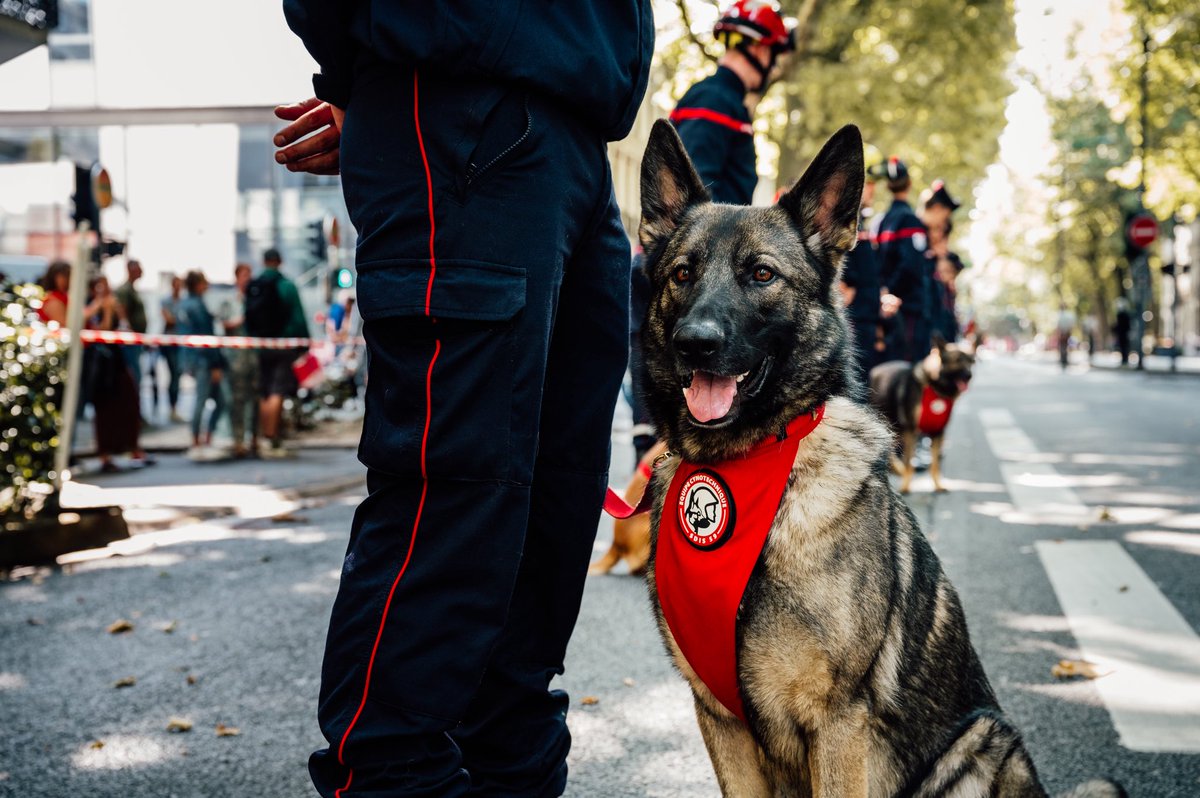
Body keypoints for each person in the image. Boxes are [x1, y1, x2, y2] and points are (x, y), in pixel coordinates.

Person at [277, 2, 653, 794]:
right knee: (459, 489)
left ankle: (509, 768)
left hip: (578, 131)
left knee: (557, 499)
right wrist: (358, 80)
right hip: (458, 104)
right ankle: (390, 771)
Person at [670, 0, 795, 205]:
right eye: (774, 56)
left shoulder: (722, 100)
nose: (773, 68)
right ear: (761, 51)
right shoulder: (714, 101)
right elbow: (694, 196)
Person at [245, 247, 308, 456]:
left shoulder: (255, 285)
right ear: (279, 261)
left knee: (264, 391)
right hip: (283, 345)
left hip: (261, 345)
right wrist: (303, 344)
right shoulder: (287, 285)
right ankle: (272, 440)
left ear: (264, 261)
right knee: (277, 390)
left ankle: (264, 437)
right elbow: (298, 318)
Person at [84, 275, 150, 472]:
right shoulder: (91, 305)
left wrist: (118, 313)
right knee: (104, 409)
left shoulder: (114, 302)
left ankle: (131, 448)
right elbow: (100, 330)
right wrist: (105, 309)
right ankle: (105, 454)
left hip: (117, 361)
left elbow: (124, 327)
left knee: (128, 402)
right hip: (100, 365)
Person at [840, 146, 888, 384]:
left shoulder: (862, 221)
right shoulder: (841, 222)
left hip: (866, 319)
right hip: (854, 321)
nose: (872, 190)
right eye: (868, 183)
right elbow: (844, 282)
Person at [877, 157, 932, 362]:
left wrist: (884, 291)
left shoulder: (882, 221)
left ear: (888, 186)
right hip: (908, 308)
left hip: (886, 306)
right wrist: (893, 291)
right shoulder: (910, 220)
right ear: (909, 184)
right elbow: (911, 264)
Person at [178, 270, 227, 450]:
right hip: (204, 360)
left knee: (211, 400)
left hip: (193, 359)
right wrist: (215, 364)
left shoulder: (185, 304)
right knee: (207, 400)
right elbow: (207, 337)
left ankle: (202, 437)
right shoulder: (196, 306)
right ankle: (199, 438)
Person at [219, 263, 260, 458]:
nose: (248, 278)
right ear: (237, 277)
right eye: (244, 275)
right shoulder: (229, 300)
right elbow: (225, 324)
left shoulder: (256, 299)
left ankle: (254, 439)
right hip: (236, 358)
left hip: (253, 356)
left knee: (255, 398)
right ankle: (238, 440)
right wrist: (243, 319)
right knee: (237, 400)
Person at [114, 259, 147, 405]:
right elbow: (122, 314)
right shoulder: (124, 290)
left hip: (136, 341)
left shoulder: (132, 289)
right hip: (130, 343)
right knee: (133, 377)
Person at [160, 275, 186, 423]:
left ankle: (175, 406)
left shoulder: (183, 301)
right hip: (169, 343)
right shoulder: (166, 301)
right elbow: (169, 319)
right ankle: (172, 407)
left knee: (178, 375)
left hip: (180, 342)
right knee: (174, 374)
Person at [37, 261, 71, 325]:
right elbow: (64, 324)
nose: (67, 280)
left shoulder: (62, 296)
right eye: (63, 277)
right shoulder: (53, 299)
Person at [1114, 297, 1133, 365]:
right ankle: (1124, 359)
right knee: (1124, 346)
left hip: (1123, 333)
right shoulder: (1124, 315)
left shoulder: (1121, 315)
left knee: (1124, 346)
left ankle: (1125, 359)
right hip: (1123, 333)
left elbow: (1120, 325)